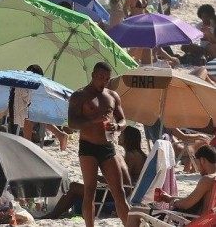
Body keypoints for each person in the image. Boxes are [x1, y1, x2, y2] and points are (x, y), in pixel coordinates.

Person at [68, 61, 129, 227]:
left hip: (107, 146)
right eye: (101, 77)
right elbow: (71, 123)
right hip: (88, 147)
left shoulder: (112, 96)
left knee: (119, 192)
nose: (104, 81)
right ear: (93, 75)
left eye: (107, 79)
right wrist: (92, 120)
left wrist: (117, 126)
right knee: (90, 192)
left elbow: (123, 120)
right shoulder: (79, 96)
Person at [126, 145, 216, 227]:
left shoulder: (207, 180)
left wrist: (171, 201)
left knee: (135, 211)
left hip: (192, 221)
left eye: (196, 163)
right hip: (205, 220)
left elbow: (185, 205)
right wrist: (169, 198)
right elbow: (193, 200)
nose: (196, 168)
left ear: (203, 160)